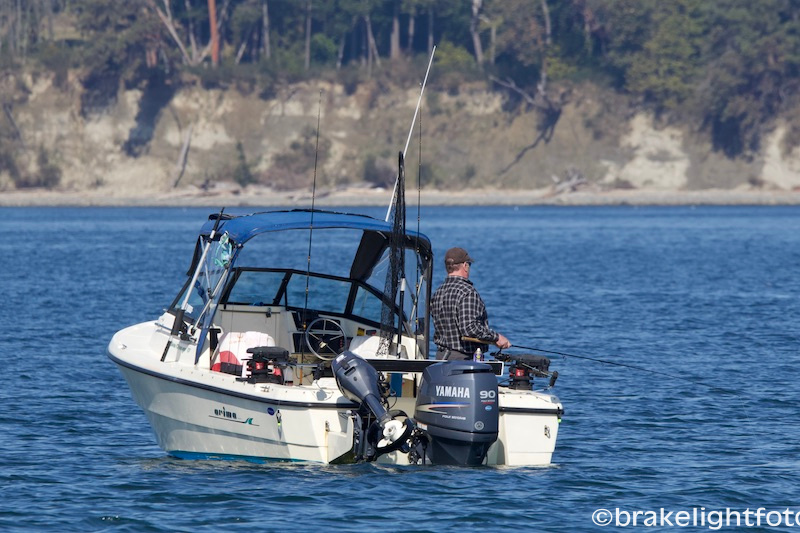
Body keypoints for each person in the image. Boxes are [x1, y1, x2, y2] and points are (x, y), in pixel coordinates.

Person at [430, 247, 511, 360]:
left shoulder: (438, 292)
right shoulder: (467, 292)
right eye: (469, 265)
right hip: (463, 360)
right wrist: (497, 338)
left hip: (440, 357)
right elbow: (470, 328)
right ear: (465, 266)